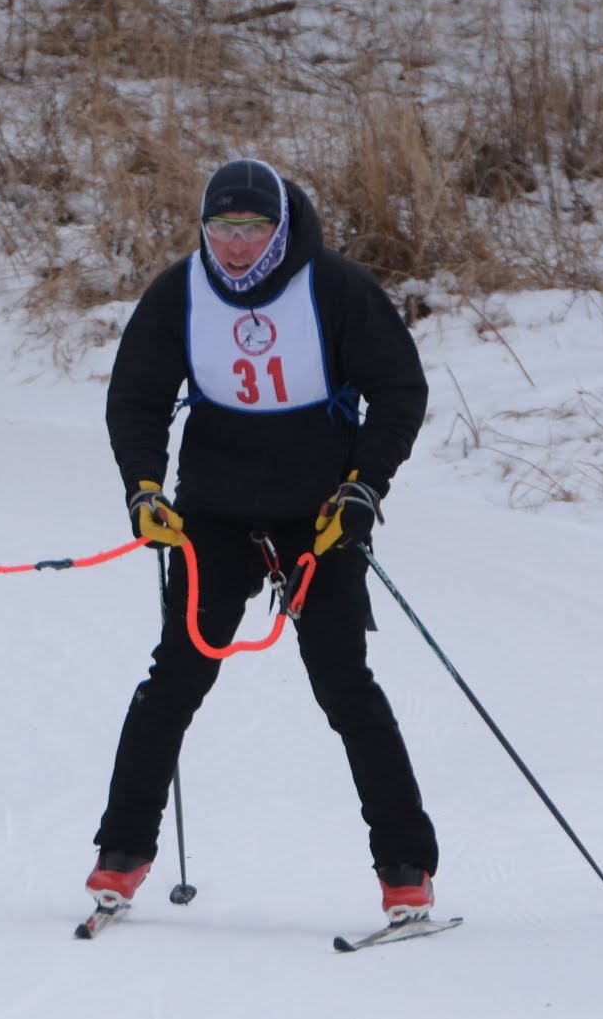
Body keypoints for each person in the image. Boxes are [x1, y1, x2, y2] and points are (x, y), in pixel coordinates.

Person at [85, 158, 438, 922]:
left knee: (344, 685)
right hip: (211, 512)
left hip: (318, 517)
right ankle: (120, 856)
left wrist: (364, 487)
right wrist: (143, 487)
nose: (236, 246)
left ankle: (406, 867)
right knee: (175, 676)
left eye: (253, 229)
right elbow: (137, 396)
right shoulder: (181, 291)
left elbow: (401, 390)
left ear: (280, 227)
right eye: (222, 228)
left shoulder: (335, 287)